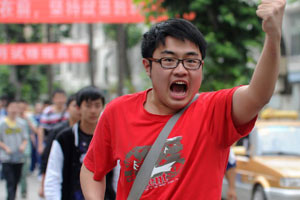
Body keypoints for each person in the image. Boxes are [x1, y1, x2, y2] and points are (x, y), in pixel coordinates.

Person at [80, 1, 286, 199]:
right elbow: (91, 169)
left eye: (191, 61)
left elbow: (259, 95)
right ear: (147, 66)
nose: (181, 70)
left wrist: (273, 36)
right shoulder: (118, 111)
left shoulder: (215, 111)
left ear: (201, 67)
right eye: (168, 60)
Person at [44, 86, 108, 200]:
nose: (93, 110)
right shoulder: (64, 138)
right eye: (88, 106)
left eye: (97, 105)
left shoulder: (109, 137)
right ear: (79, 108)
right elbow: (53, 175)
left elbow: (118, 176)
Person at [39, 93, 81, 198]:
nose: (78, 109)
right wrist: (43, 184)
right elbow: (47, 158)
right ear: (67, 109)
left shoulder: (93, 132)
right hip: (63, 183)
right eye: (75, 106)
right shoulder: (59, 132)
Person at [0, 99, 28, 200]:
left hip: (19, 157)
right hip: (6, 157)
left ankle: (12, 197)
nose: (14, 110)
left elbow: (25, 138)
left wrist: (23, 146)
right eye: (11, 107)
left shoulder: (22, 123)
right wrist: (6, 148)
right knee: (10, 181)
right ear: (7, 108)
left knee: (16, 181)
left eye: (16, 107)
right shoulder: (2, 123)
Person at [38, 89, 68, 155]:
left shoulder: (69, 111)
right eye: (58, 98)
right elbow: (41, 128)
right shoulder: (48, 111)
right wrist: (40, 145)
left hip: (66, 141)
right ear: (53, 99)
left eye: (62, 97)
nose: (60, 100)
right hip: (51, 141)